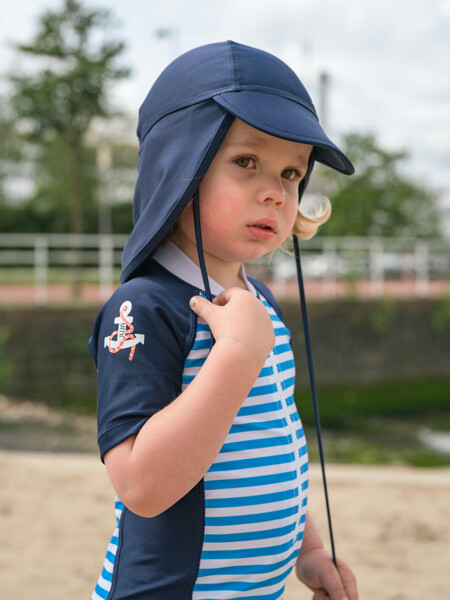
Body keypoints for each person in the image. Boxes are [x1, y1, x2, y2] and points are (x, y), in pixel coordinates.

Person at [89, 41, 358, 600]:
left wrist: (307, 552)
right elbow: (140, 484)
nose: (275, 192)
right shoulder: (145, 306)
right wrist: (236, 355)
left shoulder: (259, 305)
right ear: (177, 167)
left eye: (291, 173)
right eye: (246, 162)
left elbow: (274, 437)